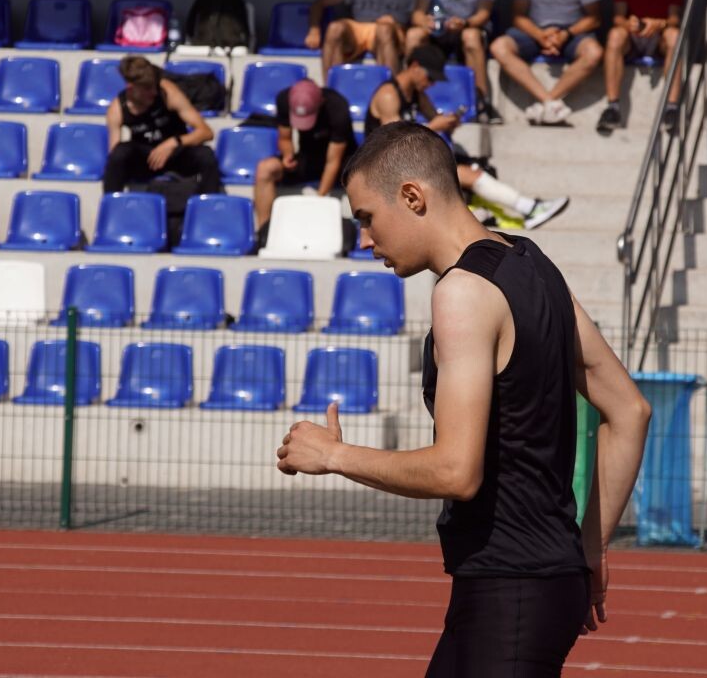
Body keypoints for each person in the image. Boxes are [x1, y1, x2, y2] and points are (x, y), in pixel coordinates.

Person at [277, 120, 651, 676]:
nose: (365, 240)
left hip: (512, 592)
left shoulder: (461, 294)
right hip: (526, 584)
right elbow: (630, 411)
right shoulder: (533, 262)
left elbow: (456, 471)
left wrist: (334, 456)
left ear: (412, 196)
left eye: (367, 219)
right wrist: (589, 551)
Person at [367, 45, 569, 230]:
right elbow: (391, 144)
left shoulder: (415, 93)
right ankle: (528, 208)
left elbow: (434, 119)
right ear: (415, 66)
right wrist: (434, 127)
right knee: (462, 173)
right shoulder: (389, 96)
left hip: (405, 162)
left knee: (470, 168)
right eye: (429, 77)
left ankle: (512, 210)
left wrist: (448, 122)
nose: (430, 84)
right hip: (383, 167)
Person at [597, 0, 686, 136]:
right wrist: (630, 23)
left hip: (659, 37)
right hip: (632, 35)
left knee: (675, 36)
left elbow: (675, 18)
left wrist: (659, 23)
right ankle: (612, 107)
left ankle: (672, 109)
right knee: (615, 35)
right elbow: (617, 17)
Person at [407, 0, 503, 125]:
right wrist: (425, 21)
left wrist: (465, 22)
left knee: (471, 37)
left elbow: (484, 13)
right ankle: (409, 97)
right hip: (439, 33)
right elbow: (417, 12)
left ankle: (481, 102)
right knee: (413, 35)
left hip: (468, 27)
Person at [102, 56, 219, 194]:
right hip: (147, 159)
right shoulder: (117, 109)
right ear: (131, 87)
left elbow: (206, 132)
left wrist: (173, 143)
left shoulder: (167, 92)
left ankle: (209, 207)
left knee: (206, 155)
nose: (154, 92)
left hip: (176, 153)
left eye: (154, 86)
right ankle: (112, 206)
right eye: (147, 89)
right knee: (120, 153)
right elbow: (114, 154)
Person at [253, 77, 355, 227]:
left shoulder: (337, 108)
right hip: (308, 158)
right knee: (265, 169)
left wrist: (317, 201)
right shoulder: (285, 99)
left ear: (320, 103)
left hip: (342, 164)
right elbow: (285, 138)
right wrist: (288, 155)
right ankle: (263, 233)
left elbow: (333, 161)